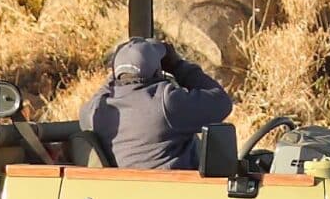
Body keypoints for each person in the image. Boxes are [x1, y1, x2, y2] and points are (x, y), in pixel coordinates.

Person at [80, 39, 233, 172]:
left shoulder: (95, 110)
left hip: (126, 194)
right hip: (174, 196)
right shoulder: (165, 103)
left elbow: (108, 88)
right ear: (157, 72)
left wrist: (119, 71)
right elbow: (221, 101)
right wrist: (178, 65)